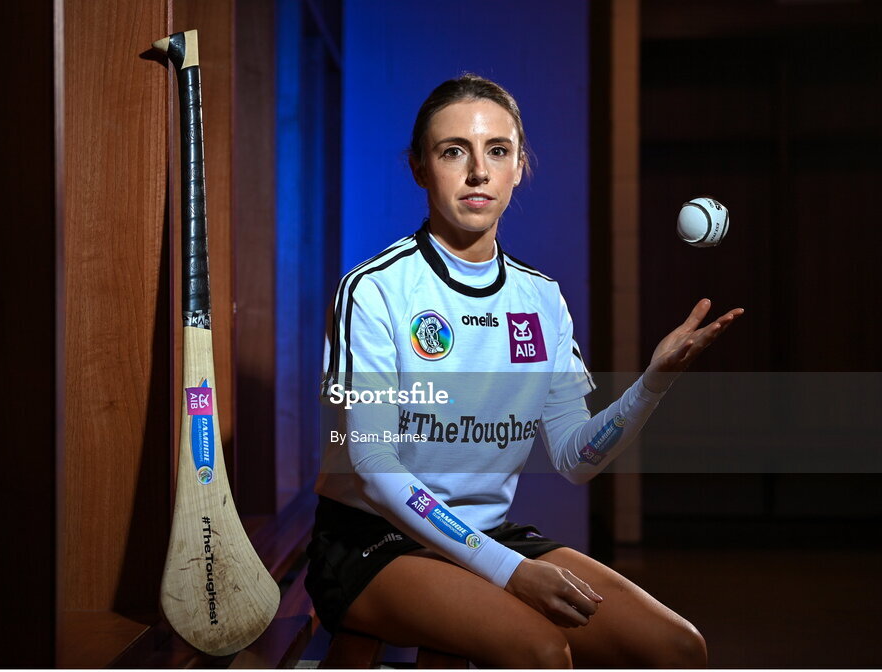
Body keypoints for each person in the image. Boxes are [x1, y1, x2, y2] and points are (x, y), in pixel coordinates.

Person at [306, 74, 742, 668]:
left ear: (519, 168)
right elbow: (376, 469)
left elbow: (576, 459)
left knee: (677, 649)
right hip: (374, 543)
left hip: (486, 536)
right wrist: (513, 573)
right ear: (419, 168)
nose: (478, 171)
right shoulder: (376, 289)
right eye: (452, 150)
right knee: (540, 650)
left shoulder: (541, 300)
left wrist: (653, 382)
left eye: (498, 151)